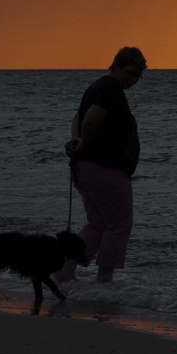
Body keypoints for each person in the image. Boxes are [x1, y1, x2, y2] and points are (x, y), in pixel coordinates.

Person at [62, 47, 145, 283]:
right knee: (119, 224)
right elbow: (90, 119)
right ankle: (104, 279)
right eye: (129, 73)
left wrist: (78, 140)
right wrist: (84, 140)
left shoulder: (97, 86)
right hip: (106, 168)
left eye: (137, 77)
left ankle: (66, 268)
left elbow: (78, 118)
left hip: (85, 168)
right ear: (117, 65)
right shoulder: (111, 89)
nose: (132, 80)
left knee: (98, 222)